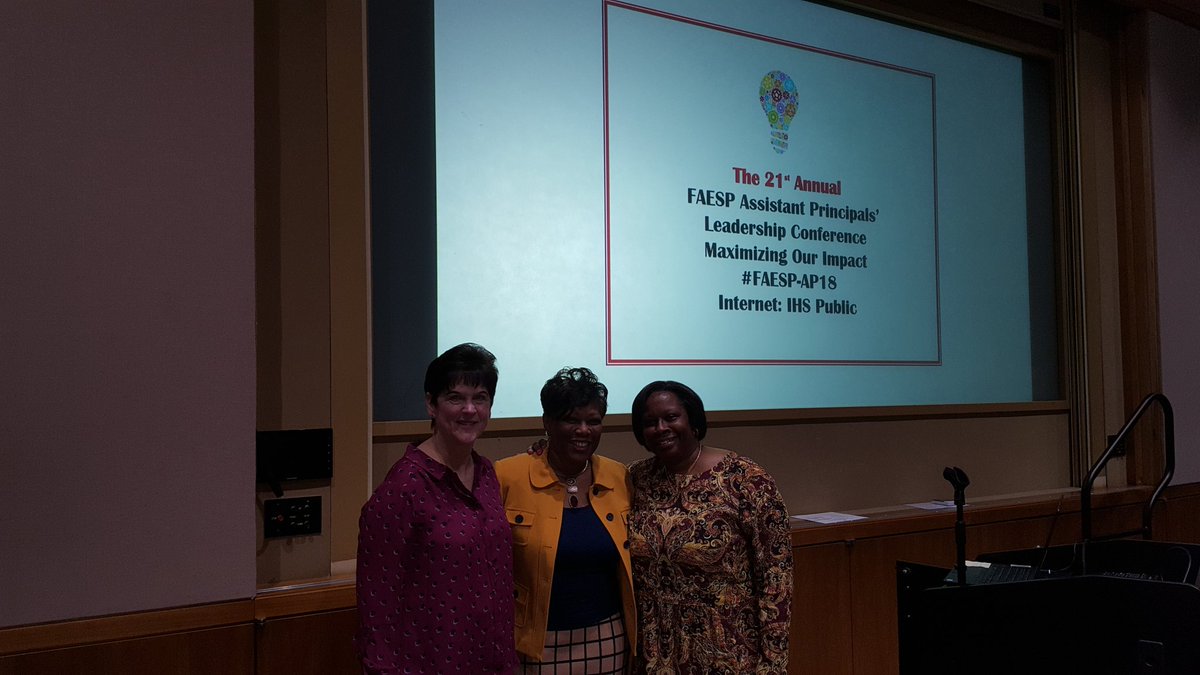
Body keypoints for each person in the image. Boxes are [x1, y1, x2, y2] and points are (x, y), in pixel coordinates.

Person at [354, 343, 517, 674]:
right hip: (432, 663)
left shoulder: (487, 474)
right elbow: (377, 602)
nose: (469, 409)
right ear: (431, 404)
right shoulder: (404, 487)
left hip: (492, 660)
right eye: (455, 398)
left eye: (480, 398)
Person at [627, 381, 793, 675]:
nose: (661, 428)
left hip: (727, 654)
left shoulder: (745, 478)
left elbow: (776, 577)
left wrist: (772, 663)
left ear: (693, 420)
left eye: (671, 417)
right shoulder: (636, 479)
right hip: (653, 655)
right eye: (650, 422)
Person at [495, 367, 636, 674]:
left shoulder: (620, 477)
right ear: (548, 422)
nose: (583, 430)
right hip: (532, 643)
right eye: (571, 419)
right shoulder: (506, 476)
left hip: (607, 638)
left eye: (593, 421)